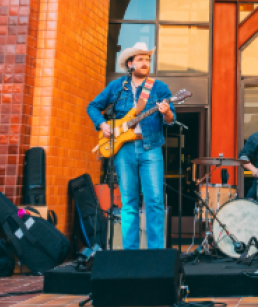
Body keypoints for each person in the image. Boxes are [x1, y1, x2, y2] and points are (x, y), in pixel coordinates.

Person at [86, 42, 176, 250]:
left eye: (148, 59)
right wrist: (102, 125)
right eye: (141, 59)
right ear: (130, 63)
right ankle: (130, 253)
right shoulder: (117, 87)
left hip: (150, 147)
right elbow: (93, 106)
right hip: (123, 149)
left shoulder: (159, 88)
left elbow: (171, 119)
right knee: (129, 203)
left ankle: (155, 253)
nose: (145, 63)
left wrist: (166, 112)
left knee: (154, 201)